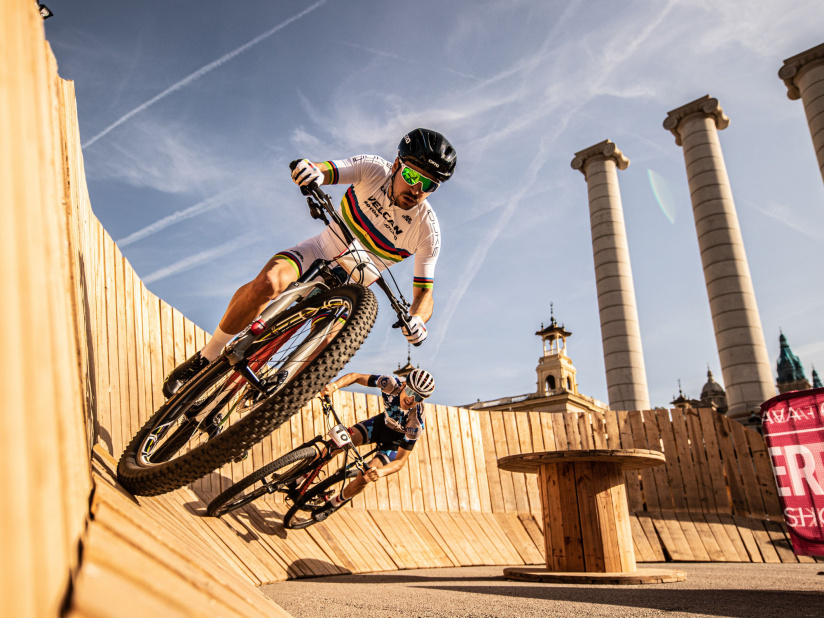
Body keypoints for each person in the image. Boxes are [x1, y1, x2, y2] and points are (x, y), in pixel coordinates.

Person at [162, 129, 457, 413]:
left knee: (331, 346)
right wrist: (310, 171)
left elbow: (424, 294)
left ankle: (267, 406)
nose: (417, 189)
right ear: (396, 165)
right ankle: (208, 355)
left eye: (429, 185)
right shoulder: (372, 169)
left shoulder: (427, 229)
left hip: (352, 288)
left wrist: (418, 319)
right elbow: (323, 170)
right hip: (319, 250)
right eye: (411, 176)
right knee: (267, 283)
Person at [310, 367, 435, 517]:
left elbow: (401, 461)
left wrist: (380, 472)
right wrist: (334, 386)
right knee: (336, 444)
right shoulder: (390, 383)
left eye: (418, 398)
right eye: (410, 392)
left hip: (393, 443)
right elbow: (355, 376)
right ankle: (302, 478)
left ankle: (336, 502)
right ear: (403, 385)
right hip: (379, 425)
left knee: (365, 477)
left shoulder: (416, 423)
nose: (411, 399)